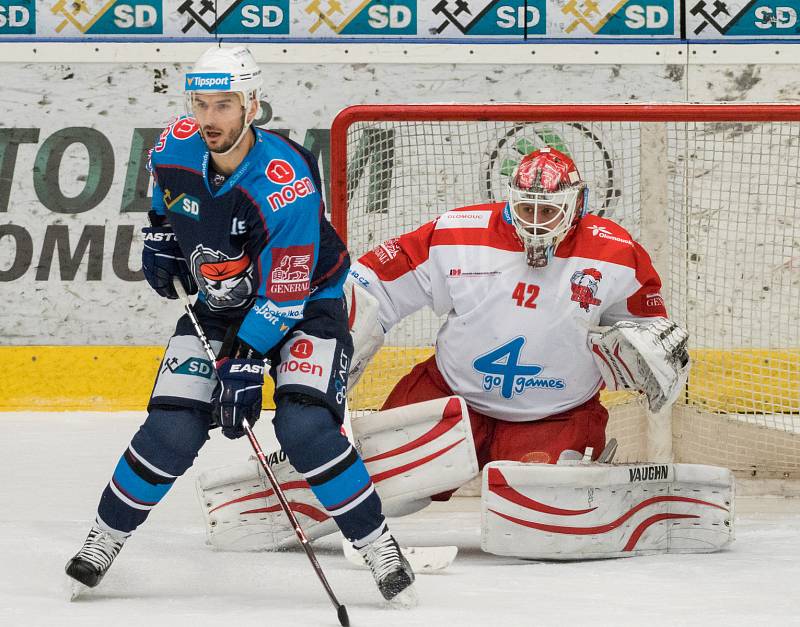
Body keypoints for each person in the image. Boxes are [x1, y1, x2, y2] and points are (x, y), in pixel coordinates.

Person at [65, 45, 414, 603]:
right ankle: (103, 538)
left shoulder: (286, 180)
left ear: (252, 105)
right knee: (172, 429)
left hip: (307, 307)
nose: (208, 119)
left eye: (224, 105)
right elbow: (166, 197)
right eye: (200, 104)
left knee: (304, 429)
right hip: (220, 303)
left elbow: (286, 292)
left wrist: (244, 360)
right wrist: (159, 234)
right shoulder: (173, 145)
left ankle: (377, 544)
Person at [349, 146, 689, 487]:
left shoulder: (615, 252)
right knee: (380, 482)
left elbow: (649, 328)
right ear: (512, 200)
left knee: (540, 513)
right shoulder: (458, 233)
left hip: (556, 416)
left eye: (550, 211)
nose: (537, 223)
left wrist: (648, 354)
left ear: (577, 205)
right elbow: (373, 285)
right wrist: (340, 338)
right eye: (528, 209)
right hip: (451, 395)